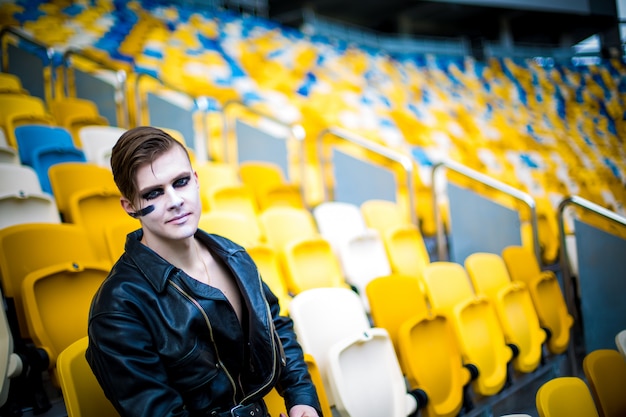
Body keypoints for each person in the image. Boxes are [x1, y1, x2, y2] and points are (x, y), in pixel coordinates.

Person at [86, 126, 322, 417]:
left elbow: (274, 325)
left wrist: (302, 399)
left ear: (196, 181)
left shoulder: (233, 255)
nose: (174, 201)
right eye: (154, 193)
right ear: (130, 206)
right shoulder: (118, 309)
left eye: (181, 182)